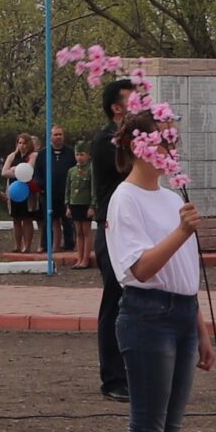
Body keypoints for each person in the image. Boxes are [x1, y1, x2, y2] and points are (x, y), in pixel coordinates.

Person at [107, 107, 216, 432]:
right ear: (139, 147)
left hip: (181, 313)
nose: (170, 150)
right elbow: (140, 267)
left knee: (170, 430)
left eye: (172, 141)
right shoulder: (125, 198)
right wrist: (180, 231)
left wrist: (201, 329)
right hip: (146, 314)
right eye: (162, 142)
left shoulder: (173, 198)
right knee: (147, 427)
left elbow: (186, 275)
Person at [91, 78, 135, 402]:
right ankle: (113, 377)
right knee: (115, 301)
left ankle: (137, 371)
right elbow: (132, 167)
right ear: (116, 108)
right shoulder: (107, 141)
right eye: (132, 101)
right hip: (112, 229)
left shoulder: (132, 139)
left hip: (136, 229)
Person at [4, 132, 45, 256]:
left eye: (24, 143)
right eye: (19, 143)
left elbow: (28, 170)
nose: (22, 146)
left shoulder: (33, 155)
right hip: (13, 190)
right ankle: (17, 245)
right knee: (16, 219)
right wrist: (16, 171)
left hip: (27, 192)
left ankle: (27, 246)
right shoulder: (12, 156)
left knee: (27, 219)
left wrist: (14, 169)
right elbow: (4, 172)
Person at [65, 142, 98, 270]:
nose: (79, 157)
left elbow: (93, 189)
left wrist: (92, 206)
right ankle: (79, 258)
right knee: (78, 232)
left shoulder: (91, 169)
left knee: (86, 232)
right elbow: (68, 189)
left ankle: (85, 259)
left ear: (88, 155)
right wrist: (67, 205)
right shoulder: (71, 171)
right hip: (74, 204)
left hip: (86, 204)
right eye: (77, 154)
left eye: (82, 154)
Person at [49, 126, 78, 253]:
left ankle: (70, 244)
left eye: (60, 134)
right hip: (50, 193)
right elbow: (39, 171)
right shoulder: (44, 153)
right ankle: (52, 246)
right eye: (56, 134)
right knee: (52, 220)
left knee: (69, 221)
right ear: (51, 136)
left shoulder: (71, 153)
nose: (58, 137)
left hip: (67, 193)